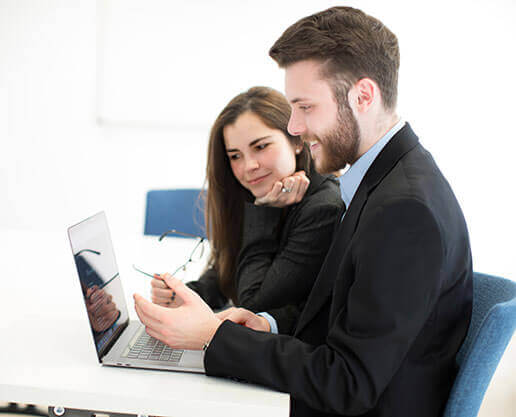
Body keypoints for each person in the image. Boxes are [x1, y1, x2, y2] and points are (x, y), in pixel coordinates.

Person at [134, 7, 473, 417]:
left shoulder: (404, 210)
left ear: (363, 96)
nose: (293, 126)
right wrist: (267, 328)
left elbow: (349, 382)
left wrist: (214, 335)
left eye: (305, 107)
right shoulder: (387, 182)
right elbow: (341, 323)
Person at [150, 87, 343, 332]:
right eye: (235, 156)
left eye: (261, 147)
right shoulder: (258, 192)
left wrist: (264, 212)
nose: (249, 165)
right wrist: (186, 294)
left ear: (296, 141)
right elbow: (229, 271)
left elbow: (254, 306)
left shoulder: (323, 209)